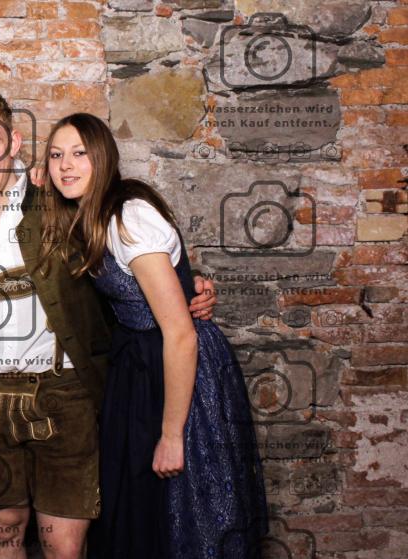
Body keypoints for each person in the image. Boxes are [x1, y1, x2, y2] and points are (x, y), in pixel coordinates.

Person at [0, 93, 218, 559]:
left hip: (67, 394)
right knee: (3, 533)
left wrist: (187, 286)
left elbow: (125, 263)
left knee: (64, 545)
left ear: (14, 142)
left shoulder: (61, 197)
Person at [40, 113, 268, 558]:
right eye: (55, 155)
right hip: (139, 363)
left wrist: (172, 435)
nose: (66, 165)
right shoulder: (90, 211)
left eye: (80, 154)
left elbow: (180, 334)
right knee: (137, 505)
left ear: (103, 157)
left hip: (175, 367)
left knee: (182, 508)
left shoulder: (128, 218)